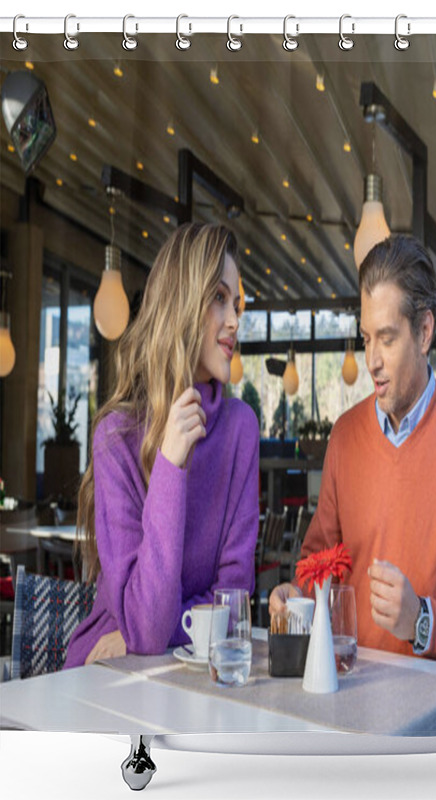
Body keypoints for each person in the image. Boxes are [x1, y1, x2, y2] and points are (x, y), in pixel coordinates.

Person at [270, 235, 436, 679]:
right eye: (366, 338)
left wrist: (421, 621)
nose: (371, 361)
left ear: (424, 332)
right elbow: (318, 568)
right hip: (349, 701)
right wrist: (297, 595)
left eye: (386, 338)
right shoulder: (344, 437)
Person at [64, 223, 260, 668]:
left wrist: (151, 631)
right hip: (108, 669)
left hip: (184, 667)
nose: (234, 321)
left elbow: (233, 601)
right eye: (218, 298)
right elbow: (148, 628)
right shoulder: (116, 436)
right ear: (182, 305)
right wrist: (171, 465)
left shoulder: (239, 429)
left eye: (237, 303)